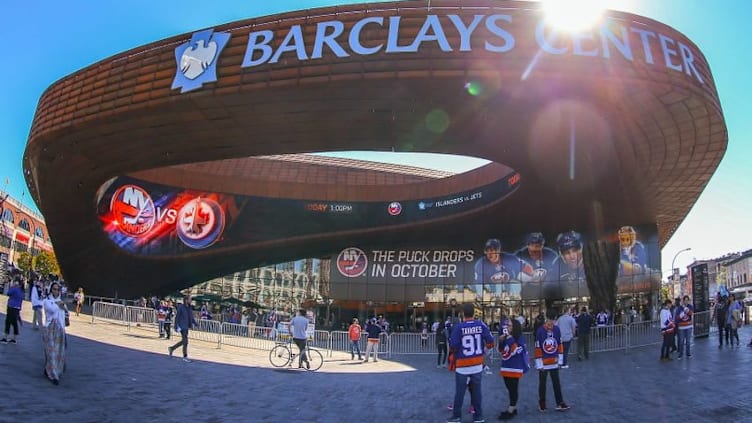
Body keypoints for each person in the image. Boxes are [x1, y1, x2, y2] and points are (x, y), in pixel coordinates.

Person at [447, 303, 494, 423]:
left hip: (462, 365)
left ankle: (457, 416)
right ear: (474, 313)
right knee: (477, 392)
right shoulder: (481, 325)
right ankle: (478, 416)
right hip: (477, 364)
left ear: (463, 314)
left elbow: (453, 346)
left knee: (460, 392)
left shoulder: (459, 327)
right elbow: (491, 342)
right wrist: (482, 352)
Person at [534, 312, 570, 412]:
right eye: (550, 319)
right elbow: (538, 347)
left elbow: (560, 345)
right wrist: (539, 363)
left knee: (556, 383)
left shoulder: (557, 329)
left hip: (554, 361)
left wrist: (560, 360)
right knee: (542, 384)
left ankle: (559, 402)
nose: (551, 322)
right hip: (544, 363)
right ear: (546, 319)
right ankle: (542, 403)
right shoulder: (540, 331)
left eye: (553, 320)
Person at [498, 318, 528, 420]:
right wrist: (501, 341)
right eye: (506, 325)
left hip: (515, 367)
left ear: (514, 327)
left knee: (513, 388)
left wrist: (510, 339)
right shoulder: (506, 337)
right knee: (509, 387)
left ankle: (511, 408)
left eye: (509, 325)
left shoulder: (519, 337)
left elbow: (517, 351)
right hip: (506, 365)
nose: (507, 327)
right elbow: (501, 350)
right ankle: (513, 407)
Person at [42, 282, 68, 385]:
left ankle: (50, 370)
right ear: (51, 290)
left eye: (58, 289)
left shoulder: (61, 301)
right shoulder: (47, 301)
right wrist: (59, 305)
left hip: (60, 328)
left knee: (58, 352)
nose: (56, 291)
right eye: (54, 289)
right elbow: (51, 310)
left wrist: (64, 308)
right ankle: (54, 375)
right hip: (50, 328)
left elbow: (66, 313)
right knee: (51, 352)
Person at [168, 295, 198, 362]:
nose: (191, 301)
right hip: (182, 326)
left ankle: (172, 348)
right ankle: (185, 356)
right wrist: (176, 326)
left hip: (187, 326)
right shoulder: (181, 307)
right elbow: (177, 317)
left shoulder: (189, 308)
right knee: (185, 341)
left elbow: (191, 317)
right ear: (186, 300)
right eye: (190, 299)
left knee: (184, 341)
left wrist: (195, 323)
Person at [2, 279, 24, 344]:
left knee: (8, 321)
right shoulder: (21, 291)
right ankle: (14, 338)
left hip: (11, 306)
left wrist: (12, 286)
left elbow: (8, 293)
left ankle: (5, 337)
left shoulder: (14, 288)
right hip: (17, 308)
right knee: (14, 323)